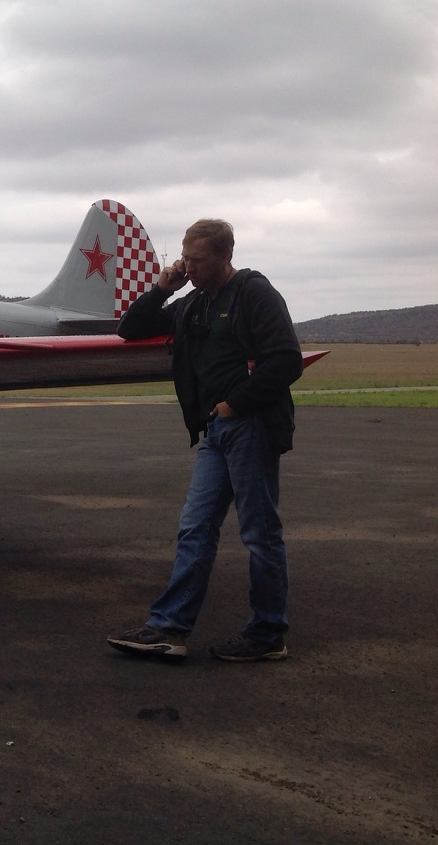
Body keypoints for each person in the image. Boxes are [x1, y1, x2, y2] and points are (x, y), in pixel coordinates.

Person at [106, 218, 303, 662]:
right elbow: (130, 329)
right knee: (195, 526)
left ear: (224, 256)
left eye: (197, 259)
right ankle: (169, 629)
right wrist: (163, 288)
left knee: (259, 532)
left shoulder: (254, 294)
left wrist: (234, 404)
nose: (188, 266)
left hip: (250, 425)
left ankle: (268, 633)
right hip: (215, 430)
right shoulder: (191, 302)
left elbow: (286, 360)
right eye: (185, 258)